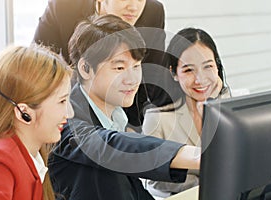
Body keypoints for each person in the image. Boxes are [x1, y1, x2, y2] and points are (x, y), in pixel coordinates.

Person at [48, 14, 201, 200]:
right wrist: (198, 156)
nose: (132, 79)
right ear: (85, 69)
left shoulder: (117, 114)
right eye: (119, 68)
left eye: (136, 66)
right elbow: (113, 147)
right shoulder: (65, 119)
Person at [33, 0, 170, 131]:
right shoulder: (65, 6)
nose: (134, 7)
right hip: (72, 100)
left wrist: (133, 126)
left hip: (121, 109)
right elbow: (39, 63)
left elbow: (151, 76)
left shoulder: (152, 11)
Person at [142, 27, 231, 197]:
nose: (200, 79)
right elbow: (153, 180)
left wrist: (212, 103)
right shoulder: (157, 117)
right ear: (173, 73)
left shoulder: (229, 106)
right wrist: (207, 183)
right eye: (189, 70)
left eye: (208, 67)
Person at [0, 44, 74, 200]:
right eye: (62, 101)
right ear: (24, 112)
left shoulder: (31, 155)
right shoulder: (1, 163)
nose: (70, 113)